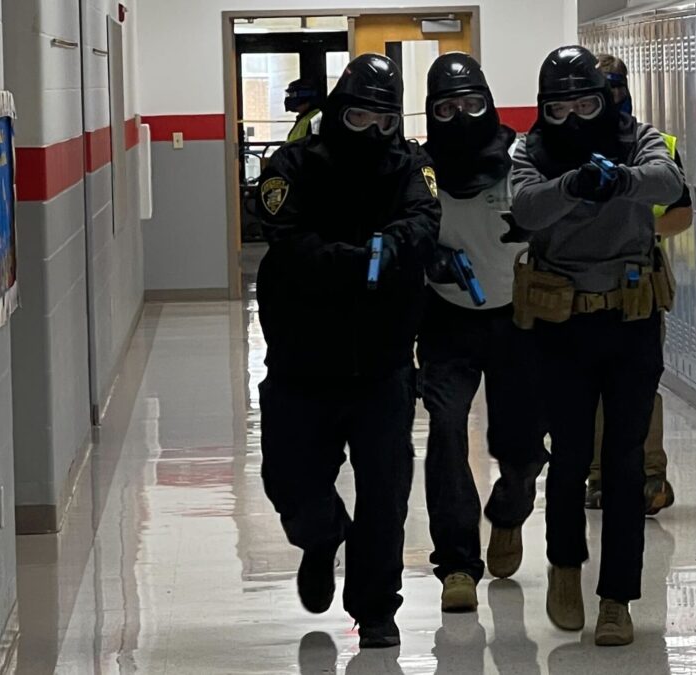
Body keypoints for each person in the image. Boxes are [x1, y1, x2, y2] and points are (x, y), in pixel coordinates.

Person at [255, 53, 441, 649]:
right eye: (359, 116)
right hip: (301, 361)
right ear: (339, 109)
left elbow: (424, 219)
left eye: (384, 121)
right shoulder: (291, 165)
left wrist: (389, 249)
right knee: (290, 482)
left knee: (385, 493)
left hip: (382, 364)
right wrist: (359, 262)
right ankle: (321, 536)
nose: (372, 131)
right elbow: (287, 242)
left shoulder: (411, 164)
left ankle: (377, 609)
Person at [509, 45, 684, 647]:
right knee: (570, 454)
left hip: (631, 321)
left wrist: (622, 179)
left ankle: (616, 599)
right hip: (562, 326)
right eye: (560, 107)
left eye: (587, 103)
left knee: (625, 462)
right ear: (543, 108)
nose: (576, 118)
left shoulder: (639, 138)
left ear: (606, 99)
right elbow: (526, 206)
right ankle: (565, 568)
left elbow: (669, 180)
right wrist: (574, 184)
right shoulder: (529, 149)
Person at [417, 52, 548, 612]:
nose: (461, 116)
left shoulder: (522, 156)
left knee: (521, 446)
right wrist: (428, 258)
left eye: (472, 104)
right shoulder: (419, 168)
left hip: (518, 316)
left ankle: (512, 507)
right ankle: (457, 565)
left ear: (489, 101)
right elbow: (402, 227)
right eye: (446, 108)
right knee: (446, 431)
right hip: (447, 318)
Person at [586, 53, 694, 515]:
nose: (612, 96)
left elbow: (682, 213)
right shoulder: (564, 145)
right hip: (582, 281)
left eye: (617, 86)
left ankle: (651, 476)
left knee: (641, 381)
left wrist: (638, 231)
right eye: (602, 87)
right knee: (590, 386)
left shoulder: (655, 145)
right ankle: (598, 478)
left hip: (641, 280)